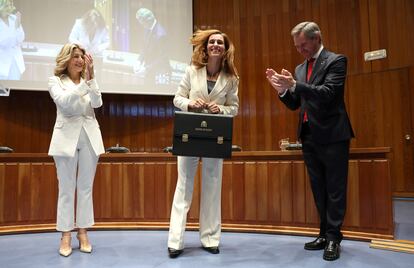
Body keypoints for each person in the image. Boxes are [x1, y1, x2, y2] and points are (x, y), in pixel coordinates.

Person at [265, 21, 354, 261]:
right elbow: (296, 103)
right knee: (318, 189)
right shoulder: (299, 68)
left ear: (317, 38)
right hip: (309, 135)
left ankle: (334, 238)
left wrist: (295, 85)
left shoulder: (336, 61)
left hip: (333, 135)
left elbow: (328, 93)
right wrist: (283, 91)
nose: (300, 50)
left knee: (335, 189)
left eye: (303, 45)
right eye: (297, 46)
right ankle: (324, 234)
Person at [167, 29, 239, 258]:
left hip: (214, 139)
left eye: (220, 42)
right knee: (184, 186)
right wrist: (191, 104)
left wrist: (223, 109)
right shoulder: (191, 71)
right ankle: (175, 242)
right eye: (212, 42)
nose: (216, 45)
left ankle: (210, 239)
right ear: (205, 47)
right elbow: (177, 99)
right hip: (189, 135)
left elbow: (234, 108)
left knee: (212, 187)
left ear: (225, 49)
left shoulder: (231, 79)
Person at [48, 43, 105, 257]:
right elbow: (64, 104)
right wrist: (84, 86)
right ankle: (65, 234)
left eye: (82, 56)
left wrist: (92, 78)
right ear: (66, 60)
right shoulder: (55, 81)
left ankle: (83, 232)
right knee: (66, 188)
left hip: (90, 137)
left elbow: (97, 103)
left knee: (85, 188)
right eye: (75, 57)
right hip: (65, 140)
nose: (80, 60)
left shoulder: (88, 81)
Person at [133, 8, 171, 85]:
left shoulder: (161, 34)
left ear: (147, 21)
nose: (141, 24)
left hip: (160, 72)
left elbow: (163, 58)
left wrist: (146, 69)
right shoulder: (147, 28)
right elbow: (145, 48)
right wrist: (139, 60)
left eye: (141, 22)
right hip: (150, 71)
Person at [0, 0, 25, 80]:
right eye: (6, 6)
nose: (9, 8)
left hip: (16, 63)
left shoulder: (14, 18)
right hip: (2, 64)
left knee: (14, 89)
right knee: (3, 91)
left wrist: (17, 25)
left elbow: (21, 38)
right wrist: (16, 30)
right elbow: (4, 42)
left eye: (10, 6)